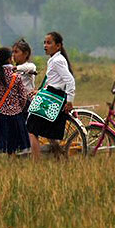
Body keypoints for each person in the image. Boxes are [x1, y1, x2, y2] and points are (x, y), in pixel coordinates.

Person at [27, 31, 75, 159]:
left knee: (32, 129)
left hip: (53, 98)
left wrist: (70, 100)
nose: (45, 45)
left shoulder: (57, 61)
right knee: (49, 132)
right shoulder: (54, 59)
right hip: (52, 95)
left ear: (58, 46)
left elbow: (69, 80)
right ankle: (60, 157)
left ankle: (35, 163)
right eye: (44, 43)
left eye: (49, 43)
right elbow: (54, 81)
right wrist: (41, 90)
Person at [0, 47, 31, 155]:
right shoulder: (16, 77)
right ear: (10, 59)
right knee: (13, 146)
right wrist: (19, 108)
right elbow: (23, 97)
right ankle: (12, 160)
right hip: (16, 116)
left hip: (0, 116)